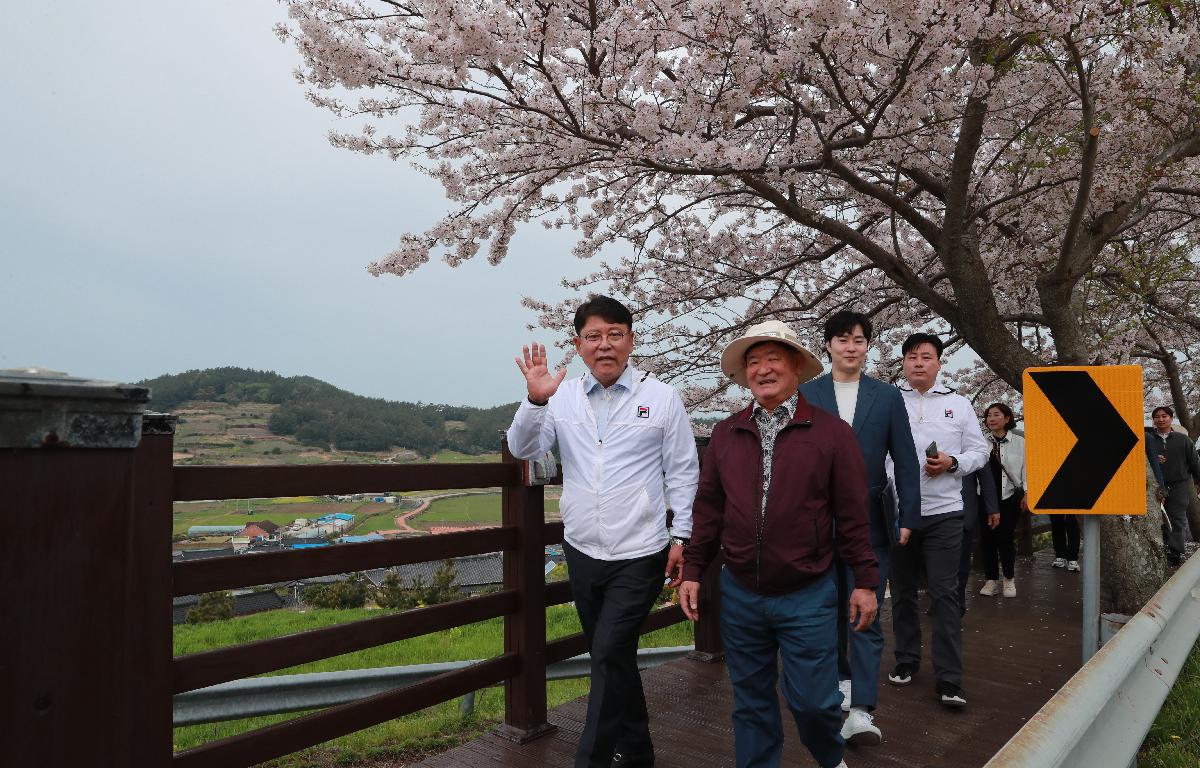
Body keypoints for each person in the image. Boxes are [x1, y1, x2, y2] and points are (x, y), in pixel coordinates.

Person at [506, 295, 699, 768]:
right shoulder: (562, 397)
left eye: (615, 334)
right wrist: (536, 399)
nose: (605, 344)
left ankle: (590, 759)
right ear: (578, 344)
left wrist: (683, 538)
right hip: (583, 548)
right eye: (593, 336)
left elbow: (683, 472)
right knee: (611, 655)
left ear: (631, 341)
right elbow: (523, 447)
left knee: (609, 651)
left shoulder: (661, 398)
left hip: (641, 550)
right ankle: (637, 750)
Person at [679, 319, 878, 768]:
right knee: (750, 703)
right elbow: (708, 510)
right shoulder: (727, 434)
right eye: (753, 362)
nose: (763, 369)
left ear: (794, 367)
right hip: (742, 591)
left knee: (814, 703)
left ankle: (830, 756)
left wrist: (865, 580)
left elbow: (852, 514)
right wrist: (693, 569)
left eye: (773, 359)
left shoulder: (831, 433)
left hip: (807, 592)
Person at [798, 310, 920, 746]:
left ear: (868, 346)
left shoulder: (887, 397)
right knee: (825, 610)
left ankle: (863, 710)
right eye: (843, 339)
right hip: (816, 524)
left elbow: (905, 460)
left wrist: (910, 515)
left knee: (865, 614)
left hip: (871, 520)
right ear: (827, 345)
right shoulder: (807, 394)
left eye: (860, 339)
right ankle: (840, 685)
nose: (852, 347)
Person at [887, 332, 989, 708]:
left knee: (946, 595)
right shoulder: (889, 401)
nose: (918, 362)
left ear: (939, 363)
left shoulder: (959, 404)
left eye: (926, 357)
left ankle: (949, 679)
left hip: (944, 512)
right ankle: (906, 659)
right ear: (903, 363)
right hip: (898, 513)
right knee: (901, 593)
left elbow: (979, 450)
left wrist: (953, 463)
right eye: (911, 356)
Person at [978, 403, 1028, 597]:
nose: (991, 419)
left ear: (1007, 418)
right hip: (984, 496)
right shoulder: (982, 442)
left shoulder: (1019, 442)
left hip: (1009, 496)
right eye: (989, 415)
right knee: (987, 538)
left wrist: (1027, 492)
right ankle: (990, 580)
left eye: (996, 415)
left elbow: (1027, 468)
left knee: (1005, 538)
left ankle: (1008, 579)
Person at [1148, 406, 1200, 566]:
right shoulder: (1148, 439)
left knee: (1177, 518)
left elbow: (1194, 462)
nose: (1161, 419)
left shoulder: (1183, 440)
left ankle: (1175, 552)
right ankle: (1158, 547)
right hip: (1154, 486)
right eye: (1157, 417)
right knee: (1155, 518)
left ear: (1171, 418)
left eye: (1164, 416)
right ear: (1154, 420)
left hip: (1179, 485)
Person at [958, 467, 999, 615]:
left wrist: (992, 508)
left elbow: (984, 472)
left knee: (961, 565)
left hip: (964, 510)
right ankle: (942, 600)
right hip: (928, 510)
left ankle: (957, 607)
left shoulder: (973, 443)